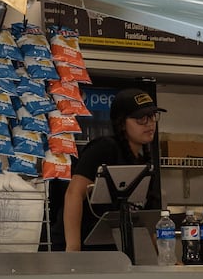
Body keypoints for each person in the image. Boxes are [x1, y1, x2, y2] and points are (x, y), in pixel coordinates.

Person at [62, 88, 165, 251]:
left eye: (152, 116)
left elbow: (145, 219)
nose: (150, 123)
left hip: (119, 252)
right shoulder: (105, 148)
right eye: (141, 119)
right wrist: (73, 248)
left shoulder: (144, 162)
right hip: (90, 252)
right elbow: (73, 194)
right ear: (122, 123)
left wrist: (160, 257)